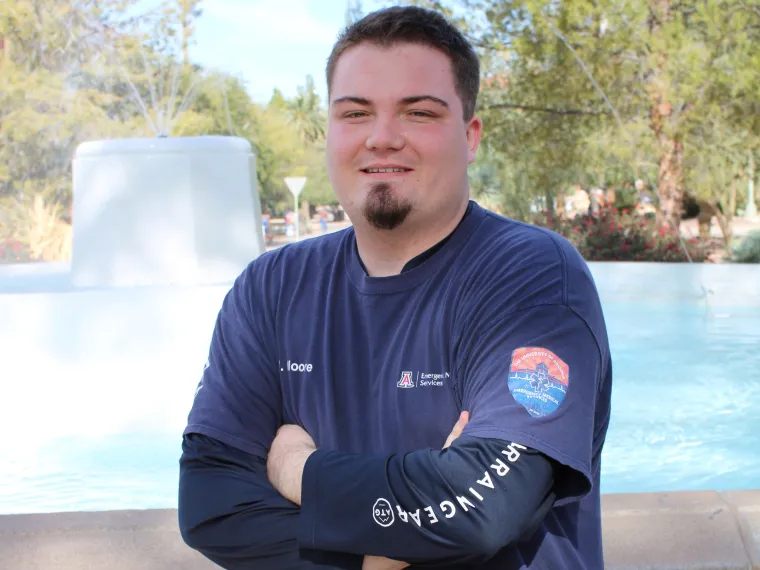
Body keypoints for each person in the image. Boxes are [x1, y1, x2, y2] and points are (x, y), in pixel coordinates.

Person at [178, 6, 613, 570]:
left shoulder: (531, 278)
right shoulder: (272, 287)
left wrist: (299, 471)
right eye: (355, 113)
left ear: (470, 135)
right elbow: (210, 506)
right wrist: (377, 559)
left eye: (419, 113)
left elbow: (484, 508)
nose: (382, 139)